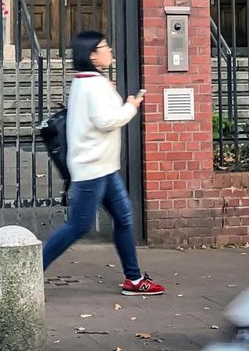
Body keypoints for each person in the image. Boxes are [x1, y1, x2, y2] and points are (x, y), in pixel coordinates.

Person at [42, 30, 166, 297]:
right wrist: (131, 105)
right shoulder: (93, 84)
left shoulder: (86, 81)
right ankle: (27, 271)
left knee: (123, 218)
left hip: (103, 166)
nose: (110, 50)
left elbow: (98, 114)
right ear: (91, 55)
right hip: (92, 168)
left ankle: (133, 279)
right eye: (104, 47)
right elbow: (106, 121)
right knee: (78, 225)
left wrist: (110, 93)